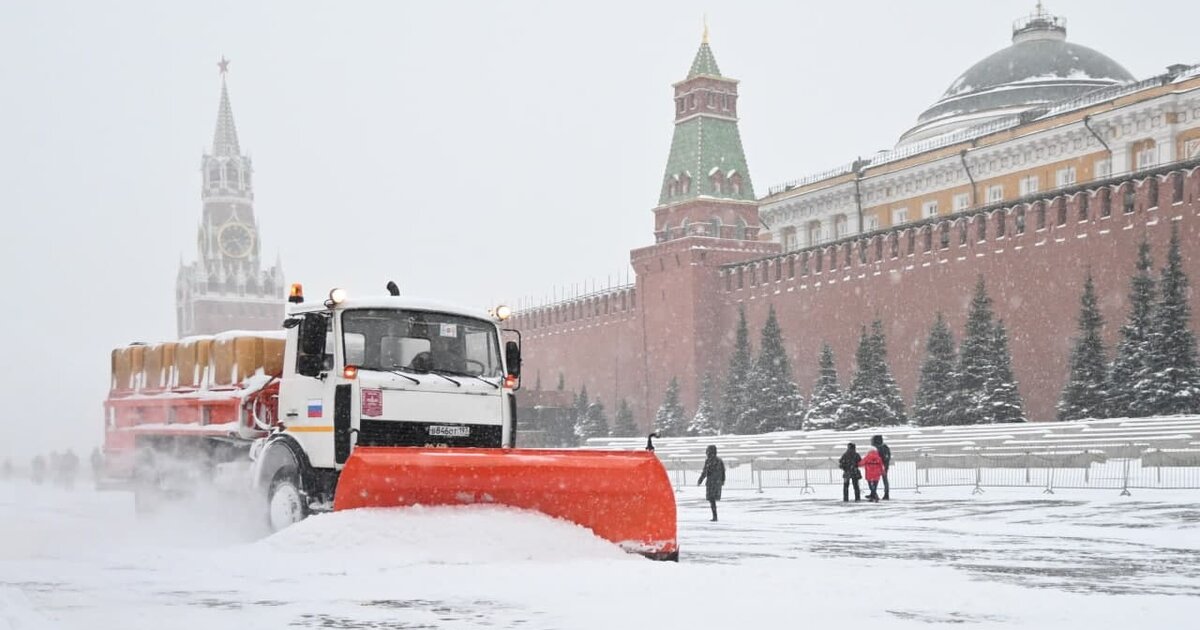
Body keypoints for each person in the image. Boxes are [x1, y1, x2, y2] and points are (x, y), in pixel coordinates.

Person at [696, 444, 726, 522]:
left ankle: (715, 516)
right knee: (713, 500)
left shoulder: (709, 461)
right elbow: (723, 471)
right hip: (717, 482)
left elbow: (705, 472)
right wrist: (722, 480)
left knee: (712, 500)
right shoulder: (719, 460)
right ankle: (715, 516)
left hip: (711, 483)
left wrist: (700, 480)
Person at [871, 434, 892, 500]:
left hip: (880, 466)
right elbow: (887, 457)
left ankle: (874, 493)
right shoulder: (885, 447)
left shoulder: (879, 448)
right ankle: (885, 494)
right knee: (883, 480)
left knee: (876, 480)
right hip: (883, 466)